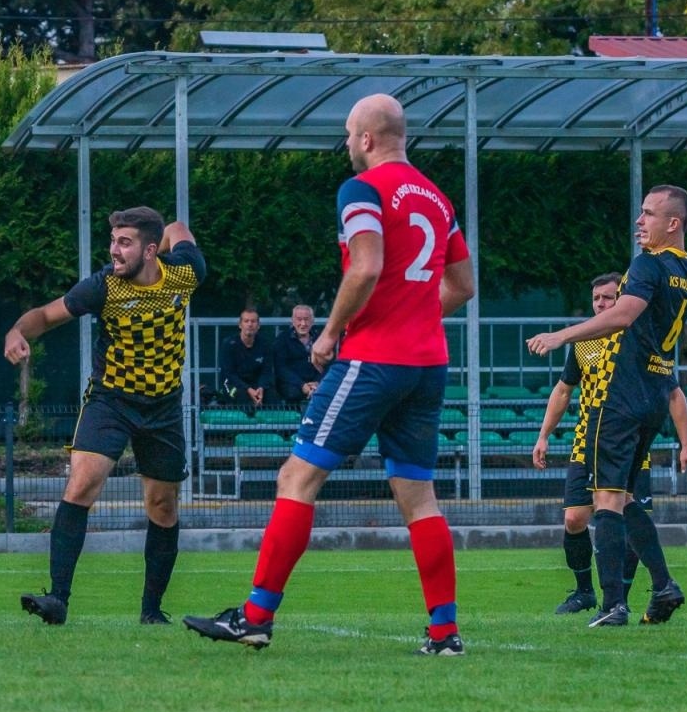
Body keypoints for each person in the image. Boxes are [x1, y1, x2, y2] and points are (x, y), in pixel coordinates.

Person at [184, 93, 475, 656]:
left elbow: (365, 265)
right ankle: (444, 634)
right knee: (419, 497)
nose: (346, 145)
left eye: (348, 135)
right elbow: (462, 286)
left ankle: (255, 616)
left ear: (366, 138)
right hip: (428, 364)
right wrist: (413, 313)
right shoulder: (438, 199)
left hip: (374, 359)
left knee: (296, 479)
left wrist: (329, 332)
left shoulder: (361, 189)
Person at [4, 207, 205, 626]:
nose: (114, 250)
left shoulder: (186, 274)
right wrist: (16, 332)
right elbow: (44, 315)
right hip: (111, 401)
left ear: (151, 251)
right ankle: (57, 598)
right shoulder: (103, 286)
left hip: (164, 406)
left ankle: (151, 611)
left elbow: (177, 229)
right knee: (82, 484)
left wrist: (165, 237)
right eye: (113, 241)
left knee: (163, 506)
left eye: (125, 242)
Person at [526, 186, 687, 628]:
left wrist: (564, 334)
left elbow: (624, 316)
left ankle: (612, 604)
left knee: (606, 499)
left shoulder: (648, 264)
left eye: (648, 214)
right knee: (621, 497)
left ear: (673, 223)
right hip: (654, 393)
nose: (639, 222)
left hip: (620, 398)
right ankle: (661, 585)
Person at [216, 308, 274, 412]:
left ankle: (279, 428)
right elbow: (229, 373)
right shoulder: (228, 344)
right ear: (240, 325)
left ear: (258, 325)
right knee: (246, 403)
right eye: (246, 321)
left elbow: (266, 371)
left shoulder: (265, 344)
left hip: (256, 385)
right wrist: (248, 389)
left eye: (253, 321)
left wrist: (261, 387)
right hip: (232, 384)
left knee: (273, 400)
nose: (250, 324)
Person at [272, 303, 324, 406]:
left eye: (306, 319)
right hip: (292, 384)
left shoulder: (320, 339)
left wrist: (317, 382)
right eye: (299, 319)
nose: (303, 323)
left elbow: (328, 365)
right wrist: (302, 385)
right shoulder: (282, 339)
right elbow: (281, 368)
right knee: (292, 393)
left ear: (312, 321)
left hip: (316, 382)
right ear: (293, 320)